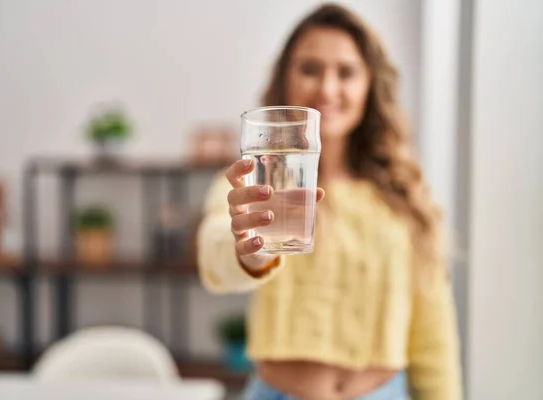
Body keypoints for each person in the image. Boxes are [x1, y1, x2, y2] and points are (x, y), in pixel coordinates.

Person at [197, 4, 462, 400]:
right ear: (285, 78)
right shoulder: (255, 180)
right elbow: (214, 248)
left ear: (370, 85)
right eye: (310, 69)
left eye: (346, 72)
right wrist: (249, 254)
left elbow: (432, 337)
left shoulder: (405, 196)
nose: (327, 88)